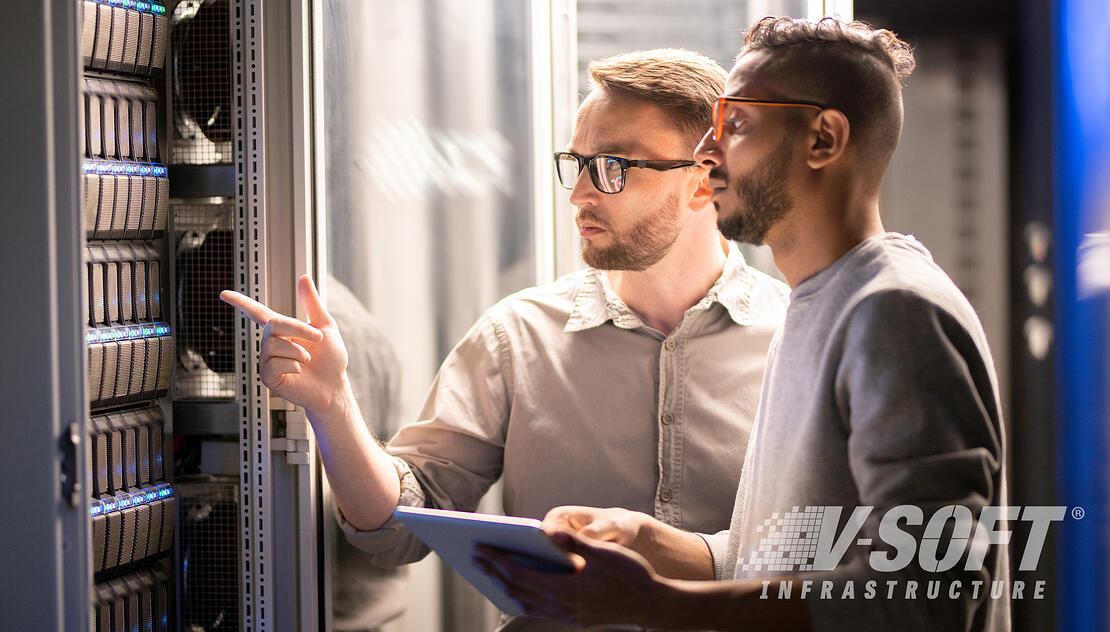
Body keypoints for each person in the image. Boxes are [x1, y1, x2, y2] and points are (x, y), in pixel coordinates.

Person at [220, 48, 790, 631]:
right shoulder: (516, 335)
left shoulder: (799, 343)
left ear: (705, 180)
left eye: (613, 166)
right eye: (577, 163)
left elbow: (851, 557)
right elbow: (393, 528)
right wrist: (333, 403)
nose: (579, 195)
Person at [475, 17, 1010, 632]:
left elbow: (928, 598)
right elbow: (799, 557)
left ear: (823, 140)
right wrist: (655, 543)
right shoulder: (818, 305)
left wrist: (655, 604)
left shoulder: (895, 314)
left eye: (737, 126)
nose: (706, 154)